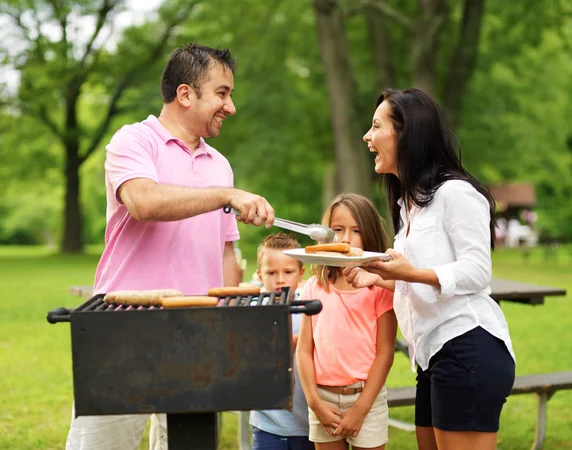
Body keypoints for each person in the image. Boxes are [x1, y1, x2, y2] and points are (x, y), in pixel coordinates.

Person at [66, 43, 275, 450]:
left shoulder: (219, 164)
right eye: (222, 93)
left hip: (197, 331)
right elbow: (143, 202)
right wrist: (225, 195)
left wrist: (227, 324)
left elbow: (226, 253)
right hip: (125, 323)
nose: (230, 106)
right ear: (185, 94)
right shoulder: (133, 141)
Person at [347, 87, 516, 450]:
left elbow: (476, 271)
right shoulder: (411, 207)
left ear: (406, 133)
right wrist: (376, 277)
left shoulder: (455, 194)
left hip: (466, 347)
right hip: (431, 355)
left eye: (376, 126)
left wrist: (408, 273)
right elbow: (420, 284)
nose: (367, 136)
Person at [296, 193, 397, 450]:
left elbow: (385, 352)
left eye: (356, 231)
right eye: (338, 230)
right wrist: (314, 402)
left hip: (366, 398)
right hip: (323, 398)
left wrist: (361, 408)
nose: (345, 239)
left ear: (370, 235)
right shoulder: (314, 287)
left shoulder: (380, 287)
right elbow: (304, 351)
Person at [249, 232, 314, 450]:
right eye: (271, 272)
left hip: (308, 424)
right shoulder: (252, 309)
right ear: (259, 275)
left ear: (301, 273)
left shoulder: (309, 307)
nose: (280, 279)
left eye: (288, 272)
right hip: (267, 424)